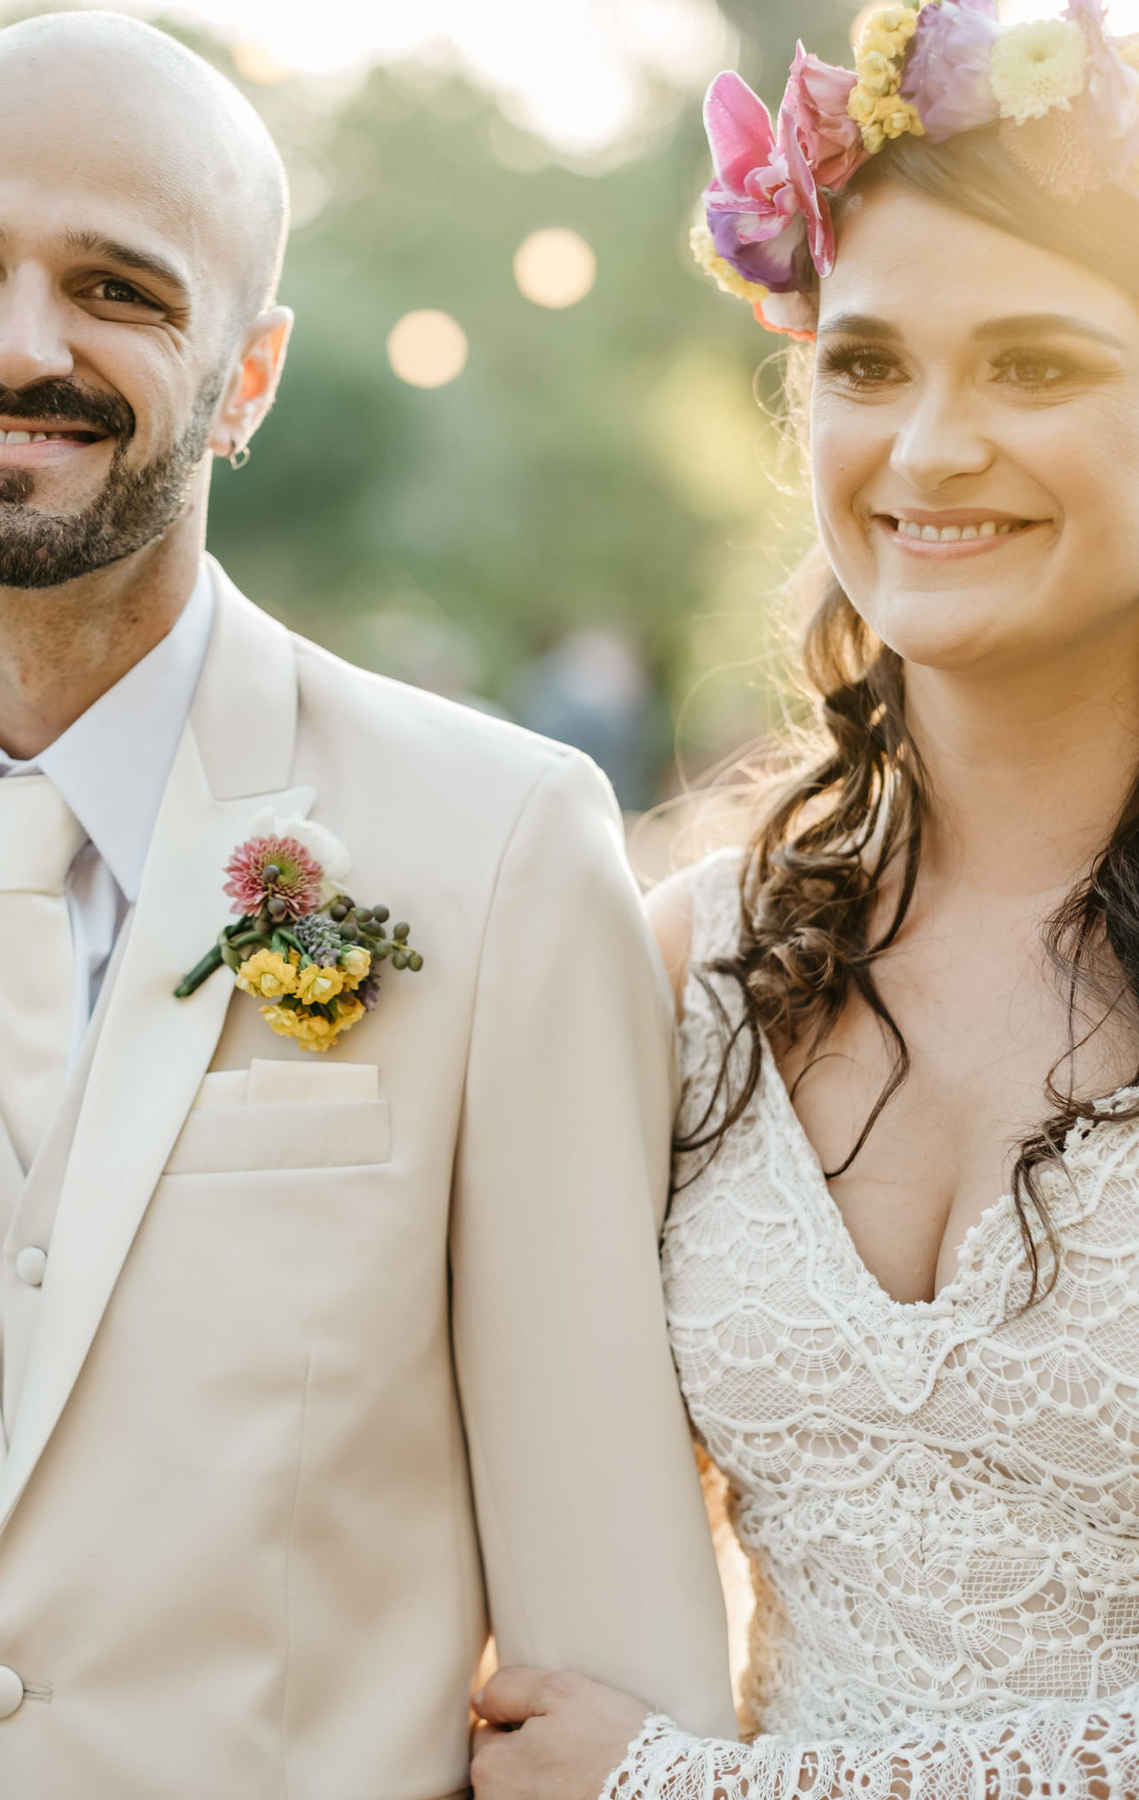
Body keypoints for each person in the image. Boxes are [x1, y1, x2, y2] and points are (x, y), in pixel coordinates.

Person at [0, 13, 738, 1797]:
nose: (12, 339)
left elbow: (610, 1656)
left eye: (119, 288)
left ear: (251, 374)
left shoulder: (504, 850)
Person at [469, 0, 1139, 1794]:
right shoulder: (690, 959)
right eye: (865, 365)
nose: (925, 451)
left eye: (1037, 366)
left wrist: (694, 1792)